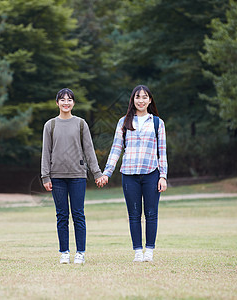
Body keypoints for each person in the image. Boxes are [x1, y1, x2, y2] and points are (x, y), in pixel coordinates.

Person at [98, 85, 168, 262]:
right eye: (138, 97)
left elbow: (162, 151)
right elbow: (116, 149)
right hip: (129, 174)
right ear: (133, 100)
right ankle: (138, 251)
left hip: (152, 173)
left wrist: (163, 176)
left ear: (150, 100)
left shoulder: (157, 123)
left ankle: (149, 251)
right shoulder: (124, 122)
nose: (141, 100)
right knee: (134, 214)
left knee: (151, 213)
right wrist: (107, 172)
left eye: (145, 97)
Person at [41, 88, 103, 265]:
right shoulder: (50, 125)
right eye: (62, 99)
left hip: (78, 176)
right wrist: (45, 176)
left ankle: (80, 252)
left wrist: (96, 172)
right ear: (57, 103)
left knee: (78, 214)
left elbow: (89, 150)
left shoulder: (81, 124)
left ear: (73, 103)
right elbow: (46, 152)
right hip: (56, 177)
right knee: (62, 215)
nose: (66, 102)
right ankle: (64, 252)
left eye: (69, 100)